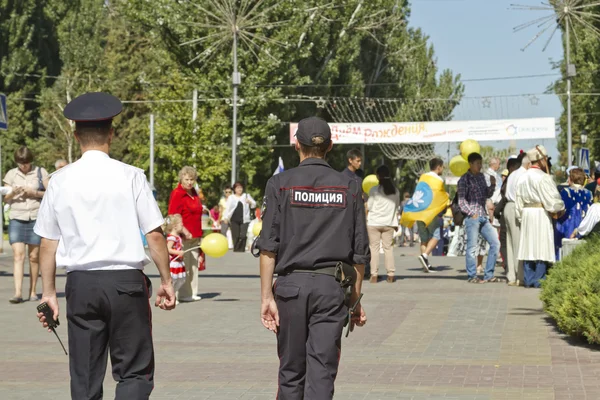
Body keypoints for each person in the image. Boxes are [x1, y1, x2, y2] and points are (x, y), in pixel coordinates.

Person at [34, 92, 175, 400]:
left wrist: (48, 293)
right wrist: (166, 281)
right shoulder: (132, 176)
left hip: (81, 284)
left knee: (84, 375)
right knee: (135, 371)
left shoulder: (59, 181)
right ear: (112, 133)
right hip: (126, 283)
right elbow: (154, 234)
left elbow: (47, 242)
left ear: (76, 135)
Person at [257, 117, 369, 399]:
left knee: (291, 370)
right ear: (330, 146)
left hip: (290, 288)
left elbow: (268, 246)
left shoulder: (280, 184)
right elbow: (359, 252)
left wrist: (266, 297)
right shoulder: (350, 186)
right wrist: (354, 299)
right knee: (322, 371)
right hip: (331, 289)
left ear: (297, 145)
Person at [3, 146, 49, 303]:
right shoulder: (11, 174)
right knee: (18, 255)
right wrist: (14, 192)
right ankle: (17, 293)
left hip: (36, 218)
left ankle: (33, 291)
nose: (23, 166)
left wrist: (34, 193)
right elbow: (5, 199)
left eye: (26, 163)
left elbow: (51, 193)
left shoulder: (40, 172)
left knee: (34, 256)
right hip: (17, 217)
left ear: (31, 161)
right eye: (21, 163)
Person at [515, 145, 565, 288]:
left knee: (528, 245)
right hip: (540, 213)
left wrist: (520, 216)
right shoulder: (543, 178)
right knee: (541, 245)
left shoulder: (522, 177)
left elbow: (518, 201)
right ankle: (539, 280)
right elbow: (552, 201)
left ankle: (528, 279)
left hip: (526, 213)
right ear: (541, 160)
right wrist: (560, 207)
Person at [457, 152, 500, 283]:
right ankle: (472, 275)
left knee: (495, 243)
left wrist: (492, 186)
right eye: (477, 164)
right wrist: (471, 213)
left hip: (483, 215)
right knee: (472, 247)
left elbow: (486, 195)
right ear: (470, 164)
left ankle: (489, 274)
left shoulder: (481, 177)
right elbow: (461, 201)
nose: (480, 166)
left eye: (481, 163)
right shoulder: (464, 179)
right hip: (473, 217)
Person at [168, 166, 204, 302]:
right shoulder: (177, 193)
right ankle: (180, 294)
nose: (189, 182)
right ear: (181, 178)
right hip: (183, 235)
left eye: (192, 179)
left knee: (194, 264)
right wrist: (183, 230)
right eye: (187, 179)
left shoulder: (194, 192)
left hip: (196, 234)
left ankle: (192, 292)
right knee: (184, 265)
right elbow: (173, 215)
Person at [366, 165, 399, 283]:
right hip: (389, 223)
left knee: (374, 249)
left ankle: (373, 275)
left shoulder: (374, 190)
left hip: (374, 223)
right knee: (388, 248)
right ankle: (390, 274)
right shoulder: (395, 191)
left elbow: (369, 206)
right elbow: (396, 206)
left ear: (378, 176)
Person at [503, 153, 530, 286]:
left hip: (508, 207)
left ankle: (511, 275)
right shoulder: (524, 175)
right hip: (517, 207)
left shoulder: (513, 174)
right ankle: (520, 276)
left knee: (510, 243)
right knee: (518, 242)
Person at [554, 167, 592, 260]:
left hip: (567, 223)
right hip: (583, 224)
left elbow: (561, 209)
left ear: (570, 179)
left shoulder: (565, 192)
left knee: (564, 251)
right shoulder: (589, 193)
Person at [224, 182, 256, 252]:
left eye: (241, 187)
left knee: (243, 235)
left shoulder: (246, 195)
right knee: (236, 235)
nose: (239, 189)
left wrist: (250, 202)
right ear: (234, 189)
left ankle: (241, 249)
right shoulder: (231, 197)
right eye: (238, 188)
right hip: (234, 219)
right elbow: (228, 208)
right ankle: (236, 249)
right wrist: (225, 217)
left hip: (245, 218)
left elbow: (254, 204)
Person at [165, 214, 187, 297]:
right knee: (173, 279)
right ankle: (169, 295)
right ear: (174, 226)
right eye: (181, 223)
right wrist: (178, 253)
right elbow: (168, 249)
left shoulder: (178, 236)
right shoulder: (172, 237)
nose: (182, 225)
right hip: (174, 262)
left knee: (181, 279)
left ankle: (172, 294)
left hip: (179, 261)